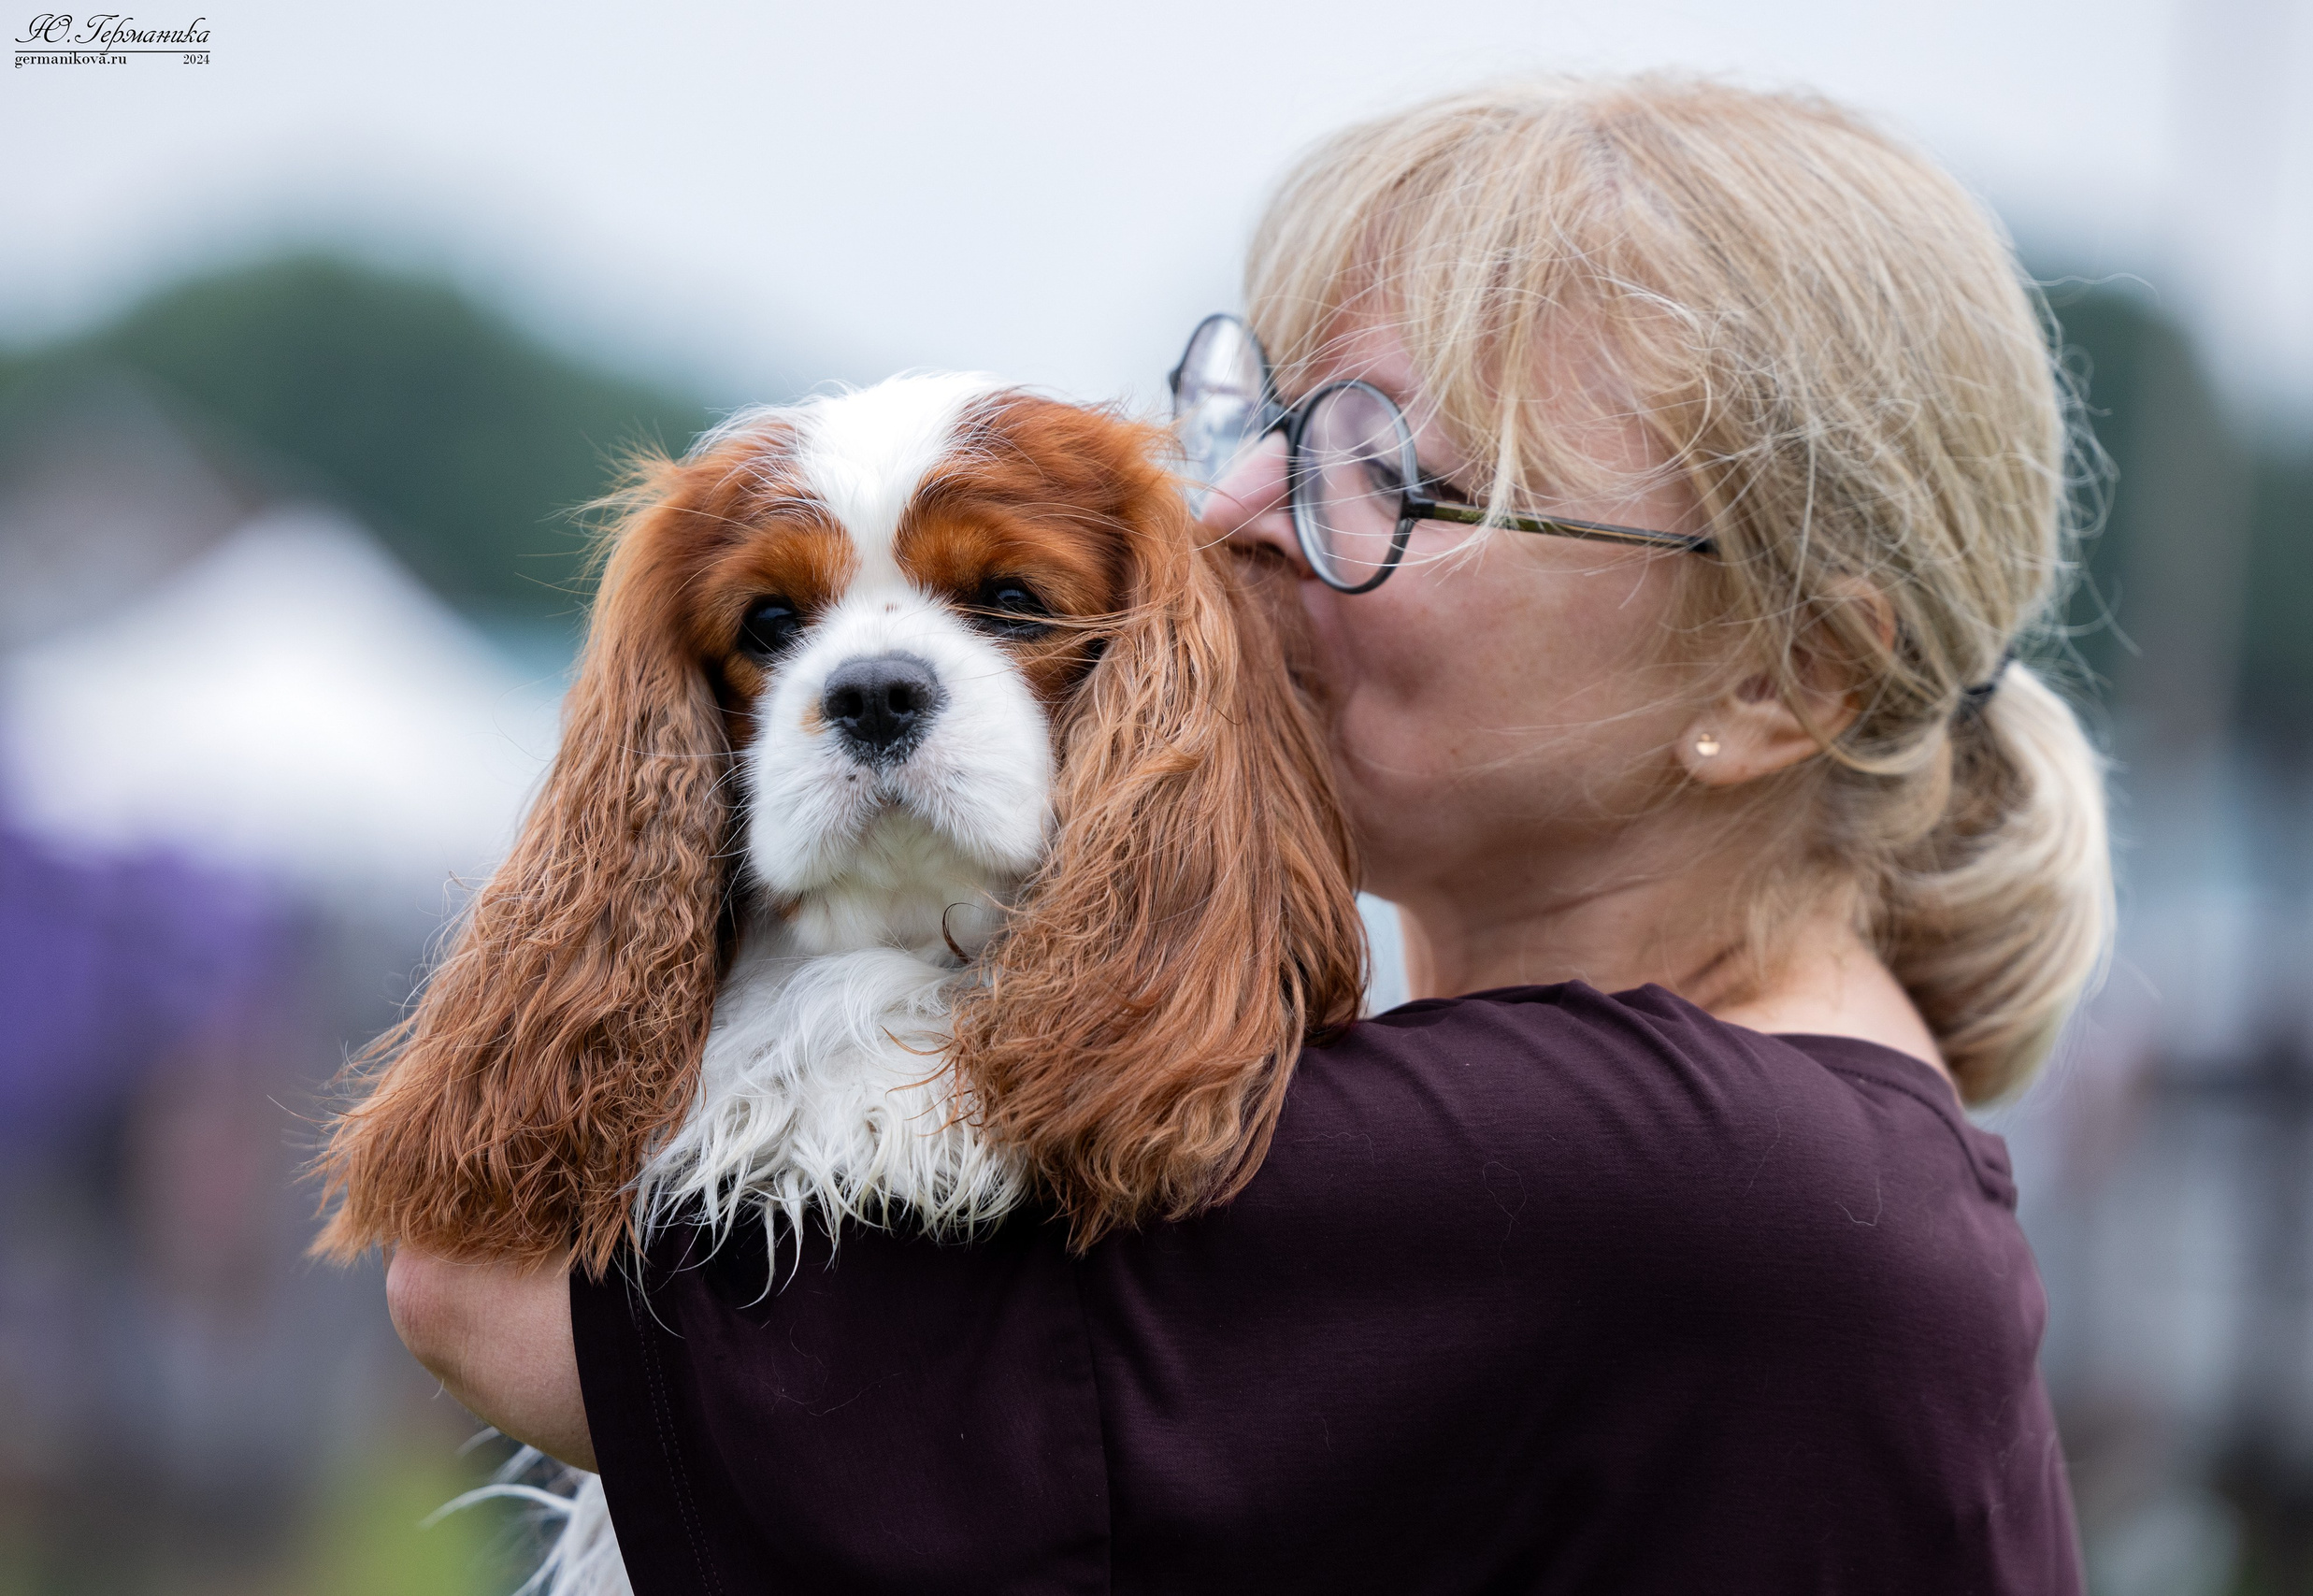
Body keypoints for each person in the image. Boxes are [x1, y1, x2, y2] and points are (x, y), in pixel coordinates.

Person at [387, 75, 2111, 1591]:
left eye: (1397, 476)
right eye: (1269, 418)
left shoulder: (1661, 1173)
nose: (1232, 515)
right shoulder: (1816, 1132)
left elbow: (489, 1294)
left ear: (1791, 680)